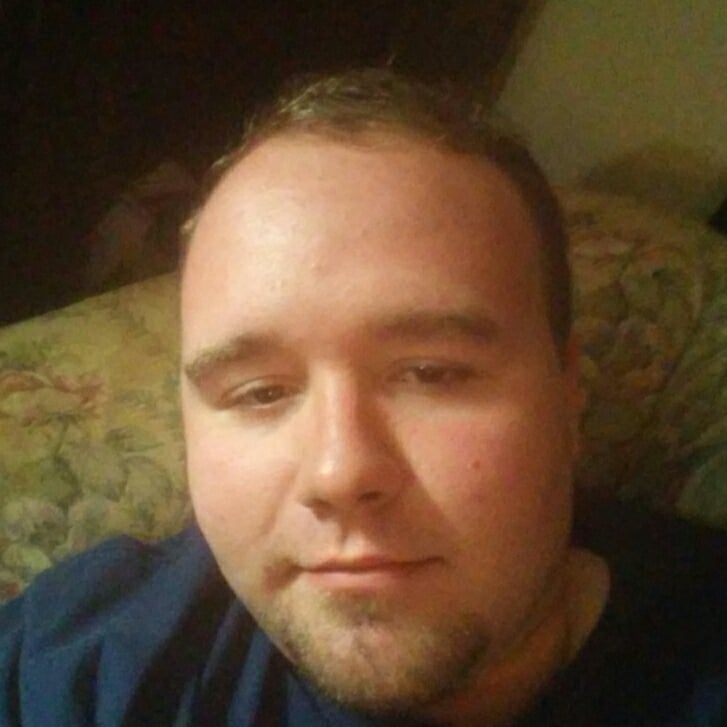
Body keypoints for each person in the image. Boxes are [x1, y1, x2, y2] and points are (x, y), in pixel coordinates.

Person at [2, 68, 727, 727]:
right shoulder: (78, 661)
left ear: (568, 396)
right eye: (259, 391)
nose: (339, 473)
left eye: (432, 373)